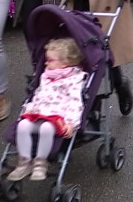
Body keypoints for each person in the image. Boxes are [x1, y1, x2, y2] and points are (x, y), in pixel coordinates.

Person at [8, 38, 86, 181]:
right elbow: (38, 95)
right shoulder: (46, 76)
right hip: (39, 112)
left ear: (65, 63)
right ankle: (24, 162)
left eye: (50, 60)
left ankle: (40, 163)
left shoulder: (74, 79)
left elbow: (76, 103)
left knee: (46, 128)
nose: (45, 63)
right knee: (23, 125)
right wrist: (29, 109)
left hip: (58, 117)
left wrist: (70, 123)